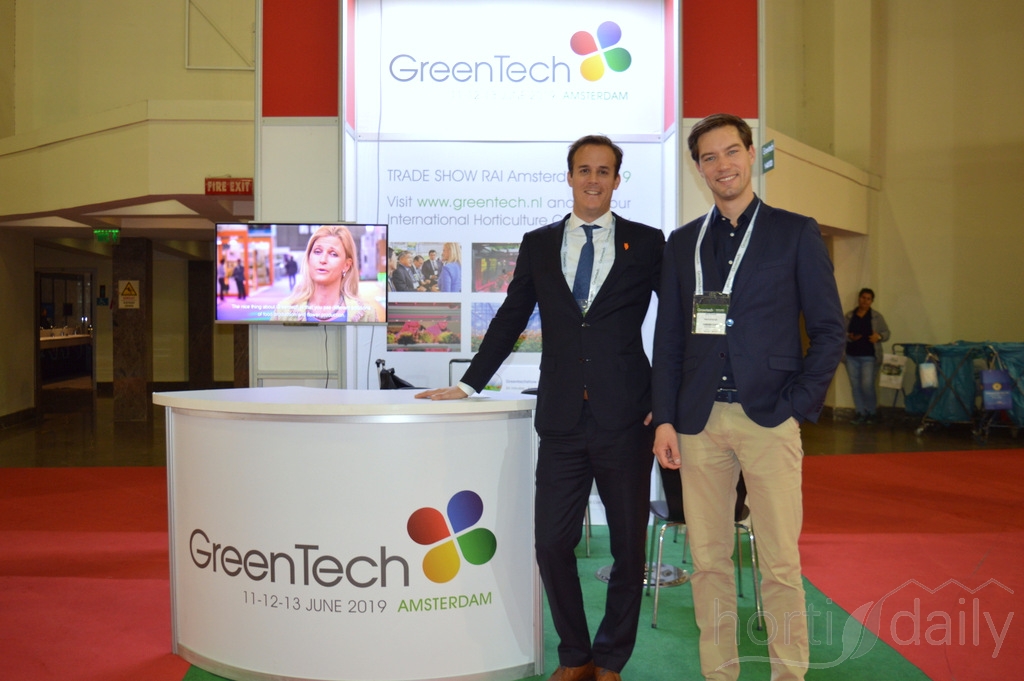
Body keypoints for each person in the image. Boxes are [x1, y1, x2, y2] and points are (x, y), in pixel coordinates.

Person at [416, 135, 664, 681]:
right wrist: (470, 383)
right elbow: (511, 316)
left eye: (604, 170)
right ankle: (575, 653)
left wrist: (666, 403)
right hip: (561, 421)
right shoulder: (538, 243)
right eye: (584, 170)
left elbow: (670, 327)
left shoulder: (647, 243)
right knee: (551, 542)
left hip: (628, 419)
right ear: (569, 177)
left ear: (617, 180)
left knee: (628, 549)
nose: (593, 179)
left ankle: (611, 658)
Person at [651, 113, 846, 681]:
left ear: (751, 153)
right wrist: (664, 419)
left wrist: (799, 402)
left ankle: (788, 673)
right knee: (708, 562)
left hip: (769, 417)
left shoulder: (795, 232)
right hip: (698, 423)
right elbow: (669, 338)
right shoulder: (683, 243)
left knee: (779, 563)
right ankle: (721, 673)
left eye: (731, 151)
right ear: (698, 169)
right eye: (709, 157)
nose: (722, 165)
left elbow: (828, 329)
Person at [271, 225, 377, 322]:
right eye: (317, 252)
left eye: (333, 254)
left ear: (346, 265)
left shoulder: (367, 315)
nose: (323, 260)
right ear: (308, 258)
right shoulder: (283, 311)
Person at [844, 288, 890, 425]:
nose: (865, 301)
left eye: (868, 299)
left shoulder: (876, 317)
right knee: (855, 385)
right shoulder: (849, 316)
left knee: (867, 385)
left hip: (869, 356)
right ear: (859, 298)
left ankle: (871, 412)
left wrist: (878, 336)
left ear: (872, 301)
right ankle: (860, 412)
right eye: (863, 297)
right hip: (851, 356)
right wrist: (849, 337)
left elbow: (886, 333)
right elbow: (840, 333)